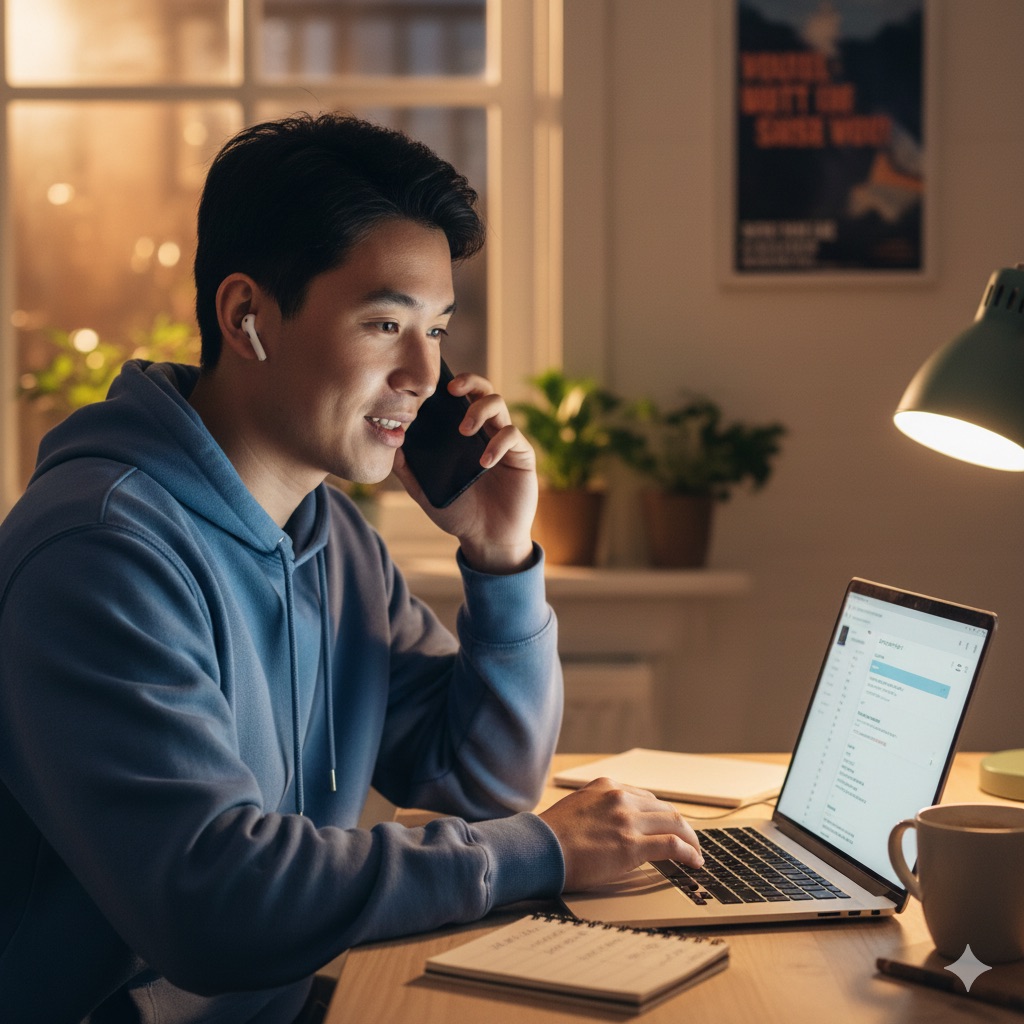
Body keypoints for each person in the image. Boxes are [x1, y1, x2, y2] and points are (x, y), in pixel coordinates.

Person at [0, 112, 702, 1024]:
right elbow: (215, 903)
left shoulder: (327, 531)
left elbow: (477, 783)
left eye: (439, 330)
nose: (424, 372)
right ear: (246, 316)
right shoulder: (101, 552)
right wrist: (539, 852)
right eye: (384, 324)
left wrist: (499, 557)